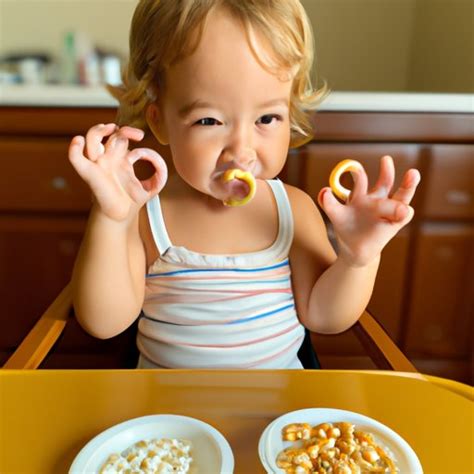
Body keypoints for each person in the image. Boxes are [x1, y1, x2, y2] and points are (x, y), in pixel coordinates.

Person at [68, 0, 421, 369]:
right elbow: (103, 324)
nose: (241, 151)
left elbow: (325, 317)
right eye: (209, 121)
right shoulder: (144, 215)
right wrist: (111, 217)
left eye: (267, 118)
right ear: (159, 121)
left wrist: (358, 260)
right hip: (169, 419)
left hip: (278, 415)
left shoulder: (294, 211)